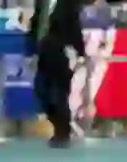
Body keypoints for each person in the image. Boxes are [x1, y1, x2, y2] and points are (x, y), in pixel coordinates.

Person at [27, 0, 84, 148]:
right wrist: (30, 48)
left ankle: (63, 132)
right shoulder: (41, 3)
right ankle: (56, 123)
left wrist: (80, 52)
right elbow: (35, 24)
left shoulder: (69, 4)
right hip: (43, 53)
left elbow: (75, 26)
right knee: (41, 92)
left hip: (61, 53)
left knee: (59, 93)